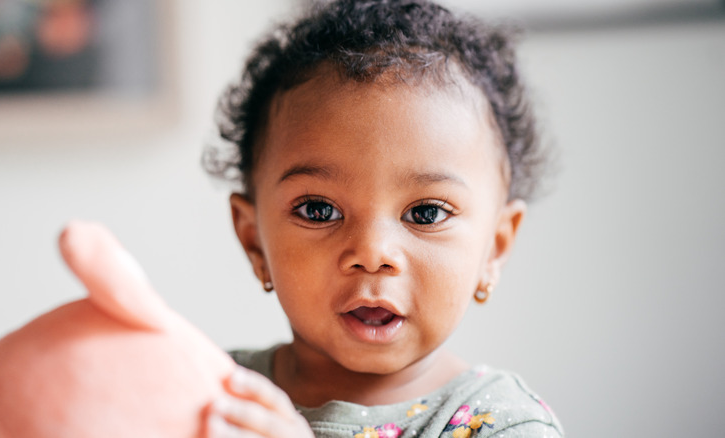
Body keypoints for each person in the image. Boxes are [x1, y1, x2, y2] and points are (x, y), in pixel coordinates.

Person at [203, 0, 564, 437]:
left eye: (425, 213)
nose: (373, 253)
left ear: (495, 246)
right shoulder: (211, 390)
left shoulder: (503, 424)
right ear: (254, 239)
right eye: (319, 210)